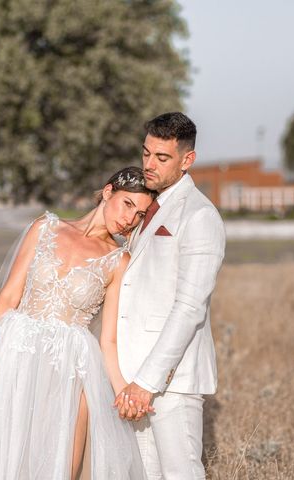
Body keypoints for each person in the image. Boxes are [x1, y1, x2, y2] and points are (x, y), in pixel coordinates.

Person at [0, 167, 154, 480]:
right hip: (16, 351)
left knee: (61, 462)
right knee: (0, 449)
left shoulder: (118, 260)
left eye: (140, 213)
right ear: (108, 193)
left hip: (70, 364)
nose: (130, 218)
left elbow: (108, 340)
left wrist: (124, 391)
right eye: (127, 204)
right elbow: (9, 295)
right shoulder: (45, 227)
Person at [114, 112, 226, 480]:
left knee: (180, 474)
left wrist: (147, 383)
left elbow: (190, 308)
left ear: (187, 160)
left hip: (171, 381)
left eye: (162, 158)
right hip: (132, 377)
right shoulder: (148, 208)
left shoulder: (199, 216)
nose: (149, 165)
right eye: (146, 153)